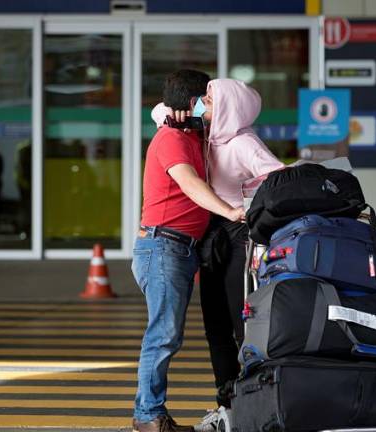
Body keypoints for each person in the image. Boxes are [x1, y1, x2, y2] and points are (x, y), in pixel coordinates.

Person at [152, 78, 284, 409]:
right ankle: (227, 401)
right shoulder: (204, 134)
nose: (200, 103)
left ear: (229, 108)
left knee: (242, 324)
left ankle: (254, 400)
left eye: (209, 99)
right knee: (215, 328)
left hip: (239, 235)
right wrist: (174, 113)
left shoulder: (243, 143)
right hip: (212, 236)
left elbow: (279, 179)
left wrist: (251, 207)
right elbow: (158, 111)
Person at [132, 70, 244, 432]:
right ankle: (148, 416)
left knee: (167, 334)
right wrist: (229, 212)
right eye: (206, 99)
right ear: (192, 103)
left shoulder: (191, 133)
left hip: (178, 249)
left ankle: (151, 413)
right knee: (163, 335)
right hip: (163, 246)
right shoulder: (171, 139)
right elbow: (190, 183)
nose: (211, 105)